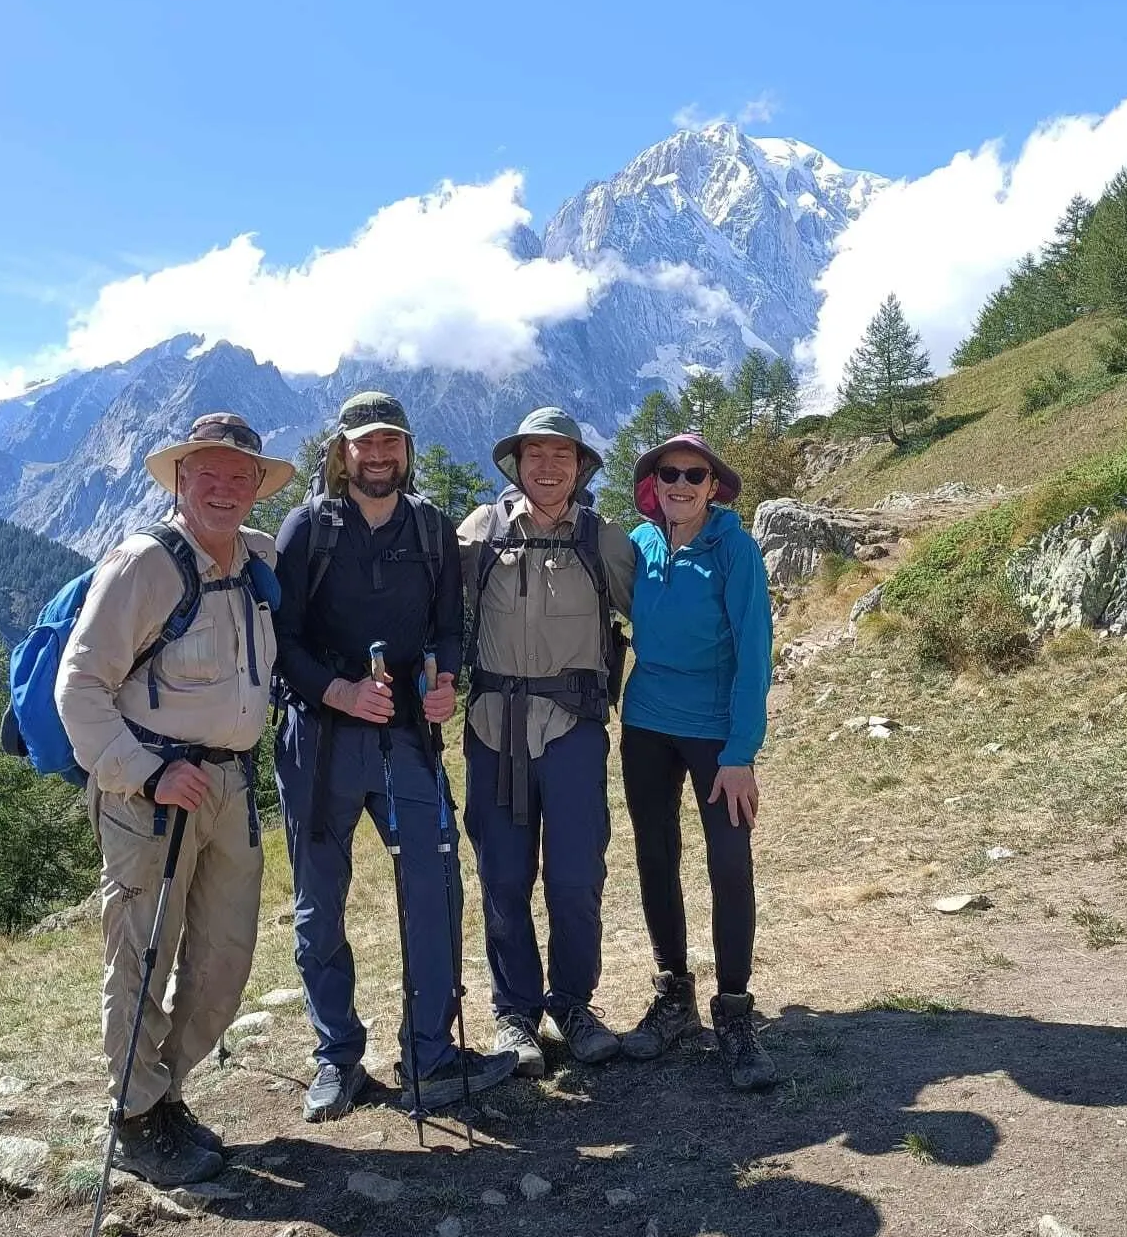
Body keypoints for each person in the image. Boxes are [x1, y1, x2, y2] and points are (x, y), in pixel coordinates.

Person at [56, 412, 293, 1188]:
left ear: (257, 486)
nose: (224, 489)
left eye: (239, 476)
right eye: (208, 474)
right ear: (181, 479)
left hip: (230, 785)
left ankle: (166, 1094)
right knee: (140, 956)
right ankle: (135, 1114)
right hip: (152, 794)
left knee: (223, 957)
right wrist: (146, 771)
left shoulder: (256, 558)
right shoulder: (143, 567)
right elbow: (79, 687)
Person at [273, 392, 515, 1122]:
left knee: (436, 888)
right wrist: (338, 692)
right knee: (320, 906)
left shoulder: (432, 529)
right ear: (341, 452)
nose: (378, 457)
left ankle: (431, 1053)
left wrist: (443, 682)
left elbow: (447, 628)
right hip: (319, 744)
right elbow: (279, 643)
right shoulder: (306, 530)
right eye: (364, 445)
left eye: (391, 444)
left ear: (406, 449)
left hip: (407, 736)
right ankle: (336, 1058)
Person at [457, 408, 636, 1074]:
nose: (548, 466)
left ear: (581, 465)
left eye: (561, 454)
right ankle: (515, 1016)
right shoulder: (481, 532)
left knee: (575, 876)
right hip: (492, 729)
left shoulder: (604, 540)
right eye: (535, 454)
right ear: (517, 463)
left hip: (574, 731)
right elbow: (426, 602)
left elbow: (654, 613)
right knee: (502, 876)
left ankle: (574, 1006)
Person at [618, 433, 777, 1091]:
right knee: (655, 856)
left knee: (729, 865)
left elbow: (754, 654)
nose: (680, 484)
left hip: (715, 733)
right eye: (669, 474)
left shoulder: (734, 550)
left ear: (714, 487)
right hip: (645, 723)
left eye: (695, 475)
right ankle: (675, 997)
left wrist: (740, 754)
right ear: (652, 484)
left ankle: (734, 1011)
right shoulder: (639, 544)